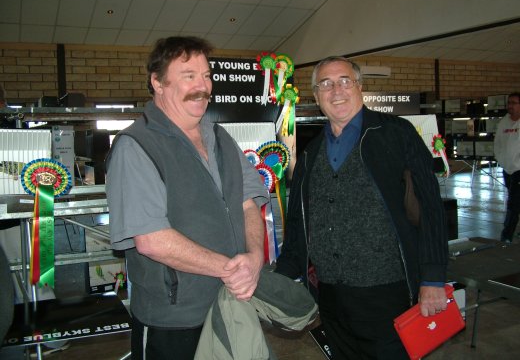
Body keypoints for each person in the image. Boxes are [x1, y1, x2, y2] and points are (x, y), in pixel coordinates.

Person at [275, 56, 449, 359]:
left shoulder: (397, 134)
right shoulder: (310, 153)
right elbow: (299, 223)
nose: (336, 90)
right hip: (331, 295)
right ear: (316, 97)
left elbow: (431, 209)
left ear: (360, 87)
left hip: (388, 291)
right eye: (325, 84)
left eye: (344, 81)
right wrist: (280, 279)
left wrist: (432, 278)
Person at [105, 36, 268, 360]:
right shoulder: (136, 145)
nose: (202, 86)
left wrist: (254, 257)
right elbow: (151, 240)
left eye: (206, 76)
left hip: (231, 303)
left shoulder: (220, 137)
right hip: (174, 318)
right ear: (158, 82)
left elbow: (248, 201)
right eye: (188, 76)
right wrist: (232, 270)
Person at [494, 92, 520, 243]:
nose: (510, 106)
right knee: (516, 200)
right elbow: (498, 144)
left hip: (519, 170)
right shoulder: (504, 122)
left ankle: (506, 236)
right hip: (507, 169)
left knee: (513, 203)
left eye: (514, 103)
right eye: (509, 103)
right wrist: (501, 160)